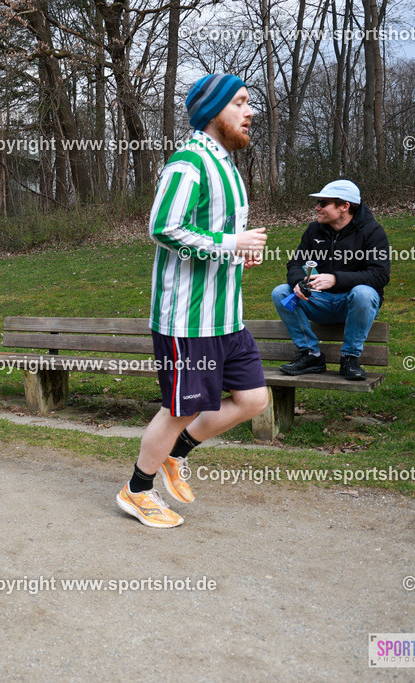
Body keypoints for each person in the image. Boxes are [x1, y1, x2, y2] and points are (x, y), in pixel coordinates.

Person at [116, 74, 270, 528]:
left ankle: (175, 455)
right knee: (180, 410)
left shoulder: (228, 166)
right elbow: (163, 228)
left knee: (253, 400)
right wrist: (230, 244)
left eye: (249, 103)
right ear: (214, 111)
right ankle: (136, 491)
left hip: (228, 316)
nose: (250, 112)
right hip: (189, 320)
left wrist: (240, 254)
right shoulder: (189, 162)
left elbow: (218, 237)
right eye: (241, 103)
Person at [272, 180, 390, 381]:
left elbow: (379, 275)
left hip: (351, 303)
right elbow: (295, 263)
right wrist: (299, 282)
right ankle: (311, 355)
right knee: (281, 292)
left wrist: (335, 280)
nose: (317, 207)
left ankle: (350, 358)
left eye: (323, 202)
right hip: (318, 302)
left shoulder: (372, 231)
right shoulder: (313, 230)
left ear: (344, 206)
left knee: (364, 292)